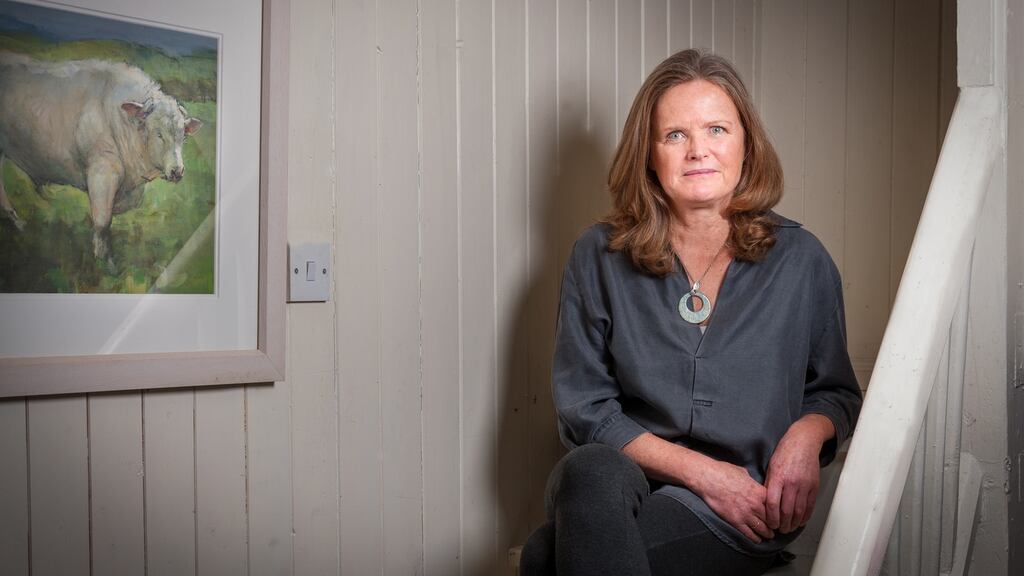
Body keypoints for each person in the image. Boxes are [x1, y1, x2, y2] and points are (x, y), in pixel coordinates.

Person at [519, 49, 863, 576]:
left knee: (546, 558)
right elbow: (584, 409)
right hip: (626, 478)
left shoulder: (803, 260)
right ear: (649, 155)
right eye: (675, 135)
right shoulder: (598, 255)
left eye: (718, 130)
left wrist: (805, 435)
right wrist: (704, 473)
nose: (698, 151)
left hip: (745, 500)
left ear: (747, 144)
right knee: (588, 467)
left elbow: (835, 391)